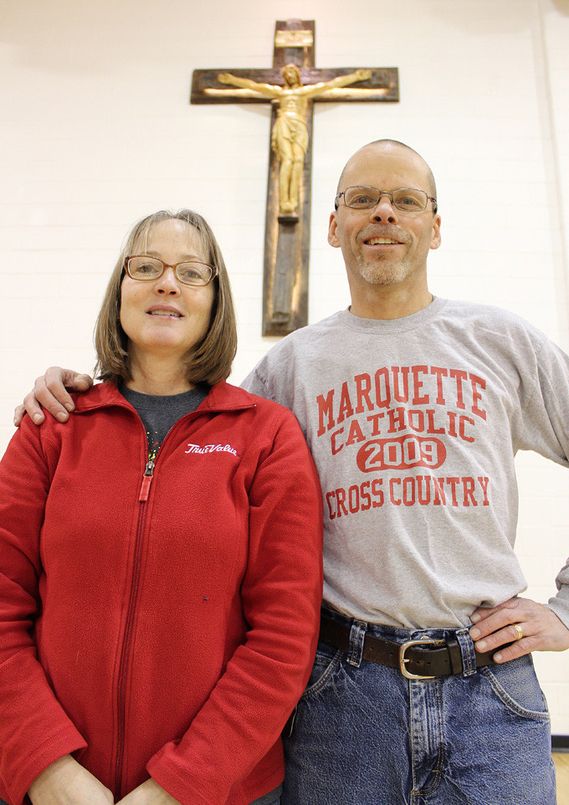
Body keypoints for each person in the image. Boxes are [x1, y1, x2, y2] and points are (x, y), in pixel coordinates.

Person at [13, 140, 569, 804]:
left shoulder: (500, 341)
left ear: (436, 225)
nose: (383, 213)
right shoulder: (289, 370)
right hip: (344, 689)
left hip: (489, 685)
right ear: (333, 226)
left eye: (405, 200)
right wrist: (66, 386)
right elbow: (182, 416)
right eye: (361, 199)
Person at [0, 209, 323, 805]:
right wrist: (47, 768)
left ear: (215, 299)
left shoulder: (266, 436)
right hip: (51, 788)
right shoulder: (51, 429)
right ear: (119, 291)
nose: (166, 283)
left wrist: (182, 785)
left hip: (220, 791)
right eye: (145, 266)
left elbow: (284, 635)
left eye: (191, 272)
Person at [215, 65, 371, 216]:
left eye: (292, 73)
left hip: (299, 125)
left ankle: (293, 200)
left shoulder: (304, 92)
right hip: (284, 123)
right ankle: (284, 202)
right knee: (287, 161)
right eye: (287, 73)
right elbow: (254, 86)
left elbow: (330, 84)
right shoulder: (279, 92)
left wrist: (356, 77)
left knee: (297, 161)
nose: (289, 76)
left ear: (297, 76)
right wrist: (231, 80)